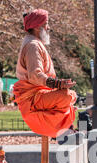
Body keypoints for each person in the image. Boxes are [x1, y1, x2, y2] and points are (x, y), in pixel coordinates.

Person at [13, 9, 77, 138]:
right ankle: (62, 132)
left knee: (72, 96)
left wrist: (59, 84)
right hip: (32, 97)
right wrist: (57, 84)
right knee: (66, 96)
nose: (48, 28)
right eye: (46, 24)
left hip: (39, 93)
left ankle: (64, 130)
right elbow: (35, 75)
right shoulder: (33, 45)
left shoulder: (34, 43)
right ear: (38, 27)